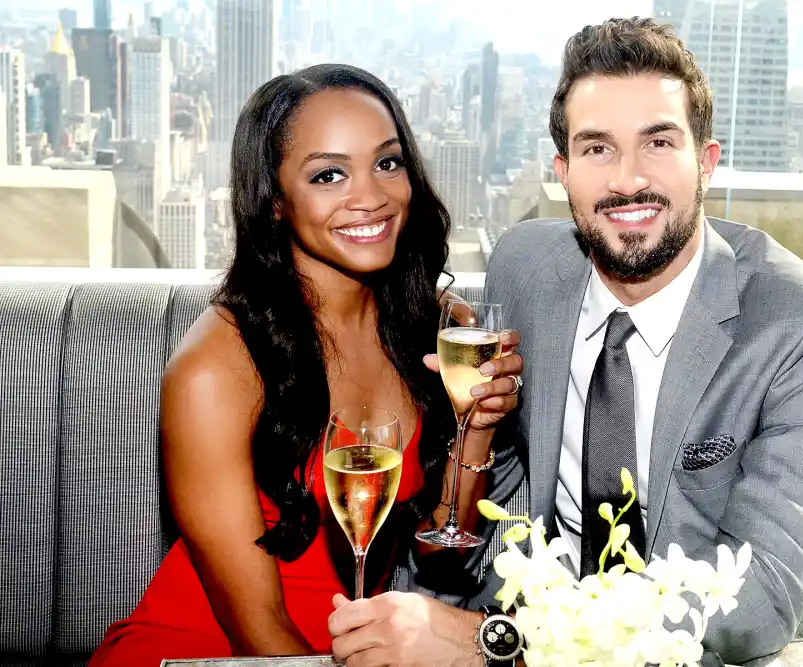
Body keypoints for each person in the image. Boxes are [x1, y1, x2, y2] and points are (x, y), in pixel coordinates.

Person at [327, 17, 803, 667]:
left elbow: (753, 607)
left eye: (658, 143)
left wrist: (495, 642)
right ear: (564, 171)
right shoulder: (525, 269)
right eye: (597, 149)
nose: (627, 179)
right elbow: (502, 493)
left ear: (705, 162)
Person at [88, 63, 523, 666]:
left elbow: (441, 550)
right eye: (328, 175)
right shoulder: (214, 369)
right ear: (273, 201)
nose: (370, 197)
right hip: (214, 654)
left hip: (355, 651)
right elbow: (258, 633)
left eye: (388, 162)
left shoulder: (441, 328)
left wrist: (478, 424)